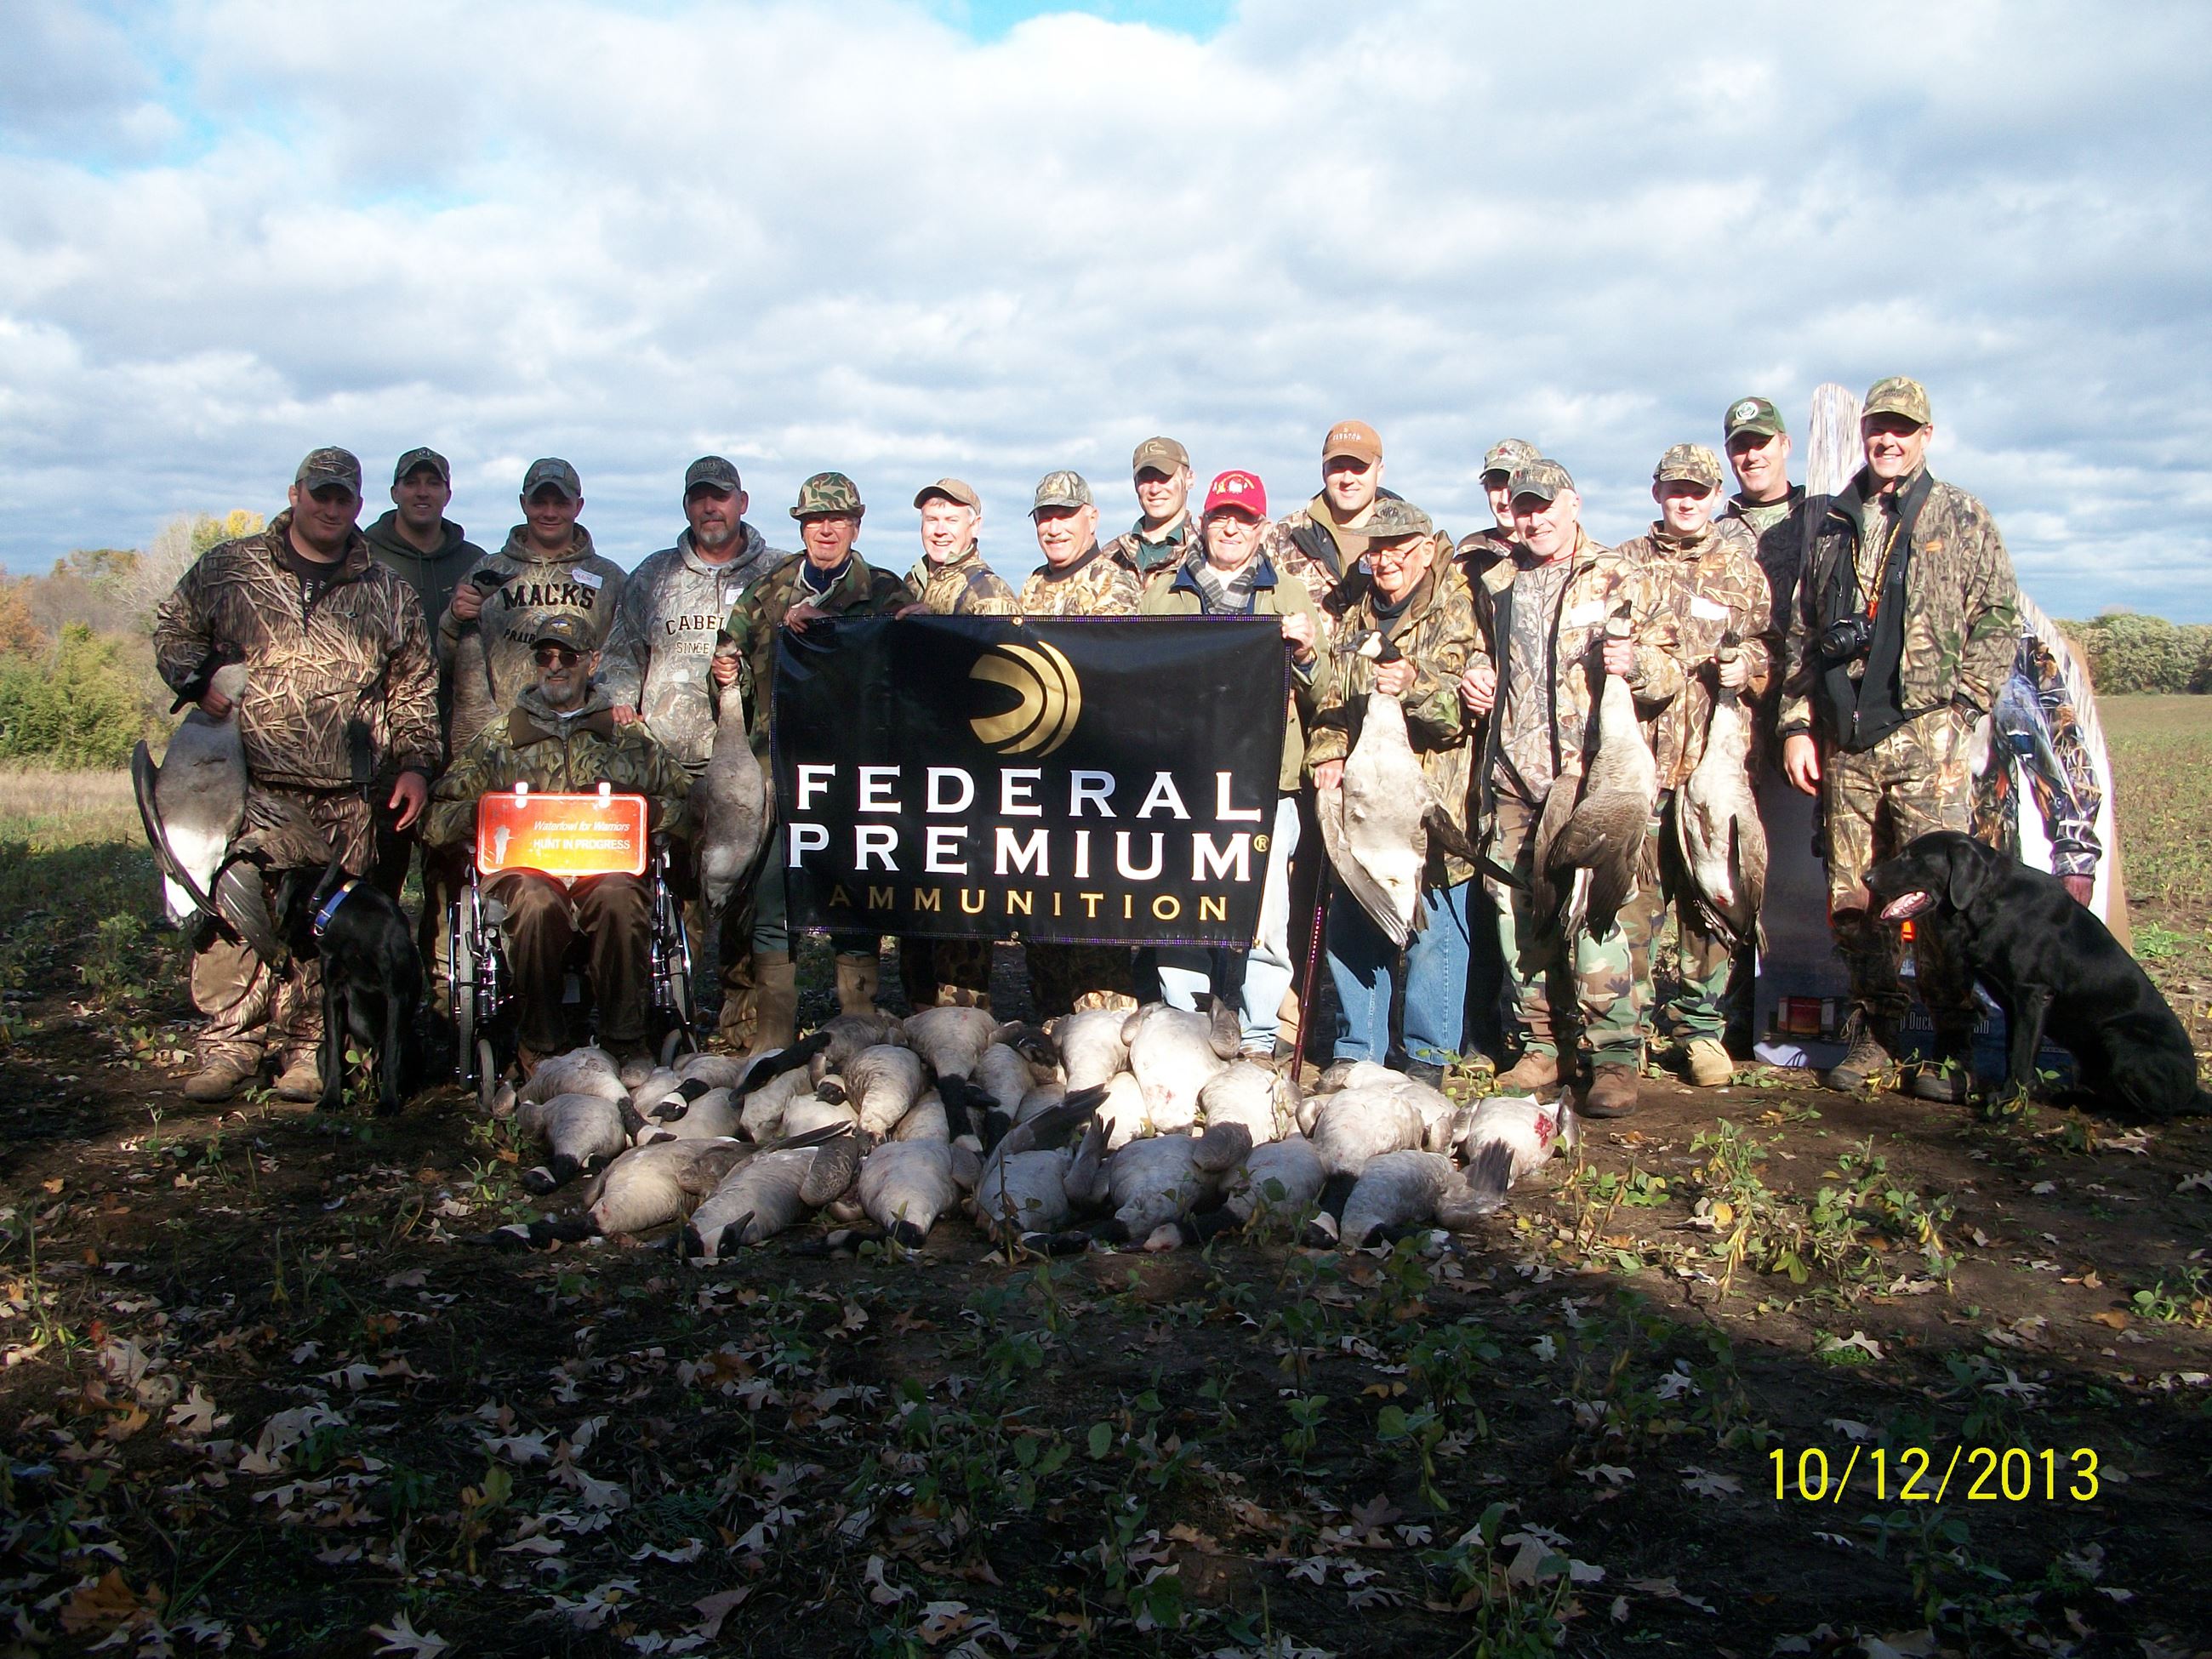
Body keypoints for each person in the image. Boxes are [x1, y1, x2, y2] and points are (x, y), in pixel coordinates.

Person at [154, 447, 439, 1103]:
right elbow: (173, 627)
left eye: (343, 498)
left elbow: (414, 689)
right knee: (230, 918)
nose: (331, 507)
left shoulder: (386, 588)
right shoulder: (231, 568)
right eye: (321, 494)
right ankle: (230, 1046)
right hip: (245, 787)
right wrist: (195, 682)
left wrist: (417, 766)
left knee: (328, 936)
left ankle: (312, 1052)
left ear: (359, 506)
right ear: (295, 494)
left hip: (346, 794)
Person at [1777, 378, 2020, 1099]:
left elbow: (2000, 619)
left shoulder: (1962, 516)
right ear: (1864, 433)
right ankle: (1877, 1035)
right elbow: (1801, 632)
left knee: (1942, 902)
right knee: (1854, 900)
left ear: (1925, 436)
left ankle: (1952, 1042)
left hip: (1927, 740)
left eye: (1902, 428)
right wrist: (1796, 723)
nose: (1888, 439)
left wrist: (1962, 707)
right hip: (1847, 738)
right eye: (1878, 426)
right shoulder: (1832, 522)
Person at [1462, 459, 1678, 1117]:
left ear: (1574, 503)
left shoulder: (1619, 574)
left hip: (1588, 779)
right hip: (1513, 777)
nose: (1533, 518)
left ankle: (1612, 1056)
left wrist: (1640, 666)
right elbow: (1476, 649)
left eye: (1545, 504)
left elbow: (1671, 672)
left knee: (1598, 913)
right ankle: (1542, 1044)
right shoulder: (1496, 580)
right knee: (1520, 916)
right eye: (1523, 507)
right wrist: (1474, 669)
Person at [424, 614, 694, 1075]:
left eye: (567, 657)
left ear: (591, 663)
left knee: (621, 898)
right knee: (535, 901)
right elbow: (438, 817)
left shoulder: (628, 737)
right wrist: (486, 815)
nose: (555, 666)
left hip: (603, 873)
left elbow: (687, 806)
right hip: (524, 876)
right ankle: (540, 1043)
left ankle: (624, 1040)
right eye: (545, 656)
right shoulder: (498, 738)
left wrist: (638, 815)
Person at [599, 456, 790, 1046]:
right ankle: (668, 1014)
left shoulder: (781, 572)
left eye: (722, 498)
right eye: (700, 498)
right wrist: (616, 700)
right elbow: (621, 654)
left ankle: (743, 1023)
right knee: (677, 896)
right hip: (671, 765)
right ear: (687, 506)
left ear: (743, 502)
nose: (711, 508)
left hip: (752, 769)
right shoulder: (653, 576)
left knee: (748, 896)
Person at [718, 473, 912, 1047]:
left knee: (855, 889)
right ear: (801, 526)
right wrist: (727, 668)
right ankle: (773, 1034)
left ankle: (858, 1025)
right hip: (782, 772)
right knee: (775, 892)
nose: (825, 529)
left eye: (837, 519)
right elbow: (728, 660)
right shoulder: (767, 591)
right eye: (813, 520)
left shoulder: (884, 590)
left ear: (857, 524)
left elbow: (915, 667)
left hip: (859, 774)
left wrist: (916, 627)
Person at [1140, 470, 1322, 1060]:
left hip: (1264, 781)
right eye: (1222, 516)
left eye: (1243, 518)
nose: (1231, 528)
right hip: (1179, 783)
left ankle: (1260, 1033)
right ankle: (1183, 1030)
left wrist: (1308, 652)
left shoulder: (1289, 594)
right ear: (1205, 521)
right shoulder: (1165, 593)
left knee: (1265, 916)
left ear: (1261, 527)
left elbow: (1322, 692)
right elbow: (1129, 679)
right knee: (1179, 907)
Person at [1607, 445, 1772, 1088]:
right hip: (1641, 765)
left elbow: (1775, 649)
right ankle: (1627, 1036)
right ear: (1657, 493)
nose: (1686, 500)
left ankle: (1701, 1032)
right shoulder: (1621, 565)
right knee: (1632, 907)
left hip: (1715, 769)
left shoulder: (1741, 569)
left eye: (1699, 490)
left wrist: (1750, 666)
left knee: (1712, 904)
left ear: (1714, 493)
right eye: (1675, 488)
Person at [1307, 498, 1479, 1087]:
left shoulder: (1455, 611)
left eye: (1398, 550)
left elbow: (1458, 718)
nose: (1384, 562)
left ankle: (1428, 1058)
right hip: (1363, 804)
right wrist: (1327, 753)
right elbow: (1332, 703)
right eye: (1375, 551)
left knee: (1434, 929)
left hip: (1429, 804)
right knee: (1355, 925)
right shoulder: (1355, 619)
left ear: (1425, 551)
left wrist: (1415, 682)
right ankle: (1359, 1051)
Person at [361, 447, 487, 1006]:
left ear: (447, 493)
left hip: (458, 748)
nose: (421, 493)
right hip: (380, 750)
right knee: (377, 881)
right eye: (411, 484)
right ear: (394, 493)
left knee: (451, 883)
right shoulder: (362, 557)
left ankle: (444, 1003)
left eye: (432, 484)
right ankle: (378, 1001)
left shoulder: (479, 562)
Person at [1016, 470, 1144, 1016]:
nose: (1054, 526)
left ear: (1091, 517)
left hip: (1095, 779)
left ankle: (1105, 1034)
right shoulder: (1031, 586)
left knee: (1095, 917)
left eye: (1065, 515)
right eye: (1045, 516)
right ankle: (1051, 1030)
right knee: (1041, 916)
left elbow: (1111, 674)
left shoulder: (1114, 583)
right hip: (1040, 778)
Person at [894, 477, 1018, 1012]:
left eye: (951, 517)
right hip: (918, 772)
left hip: (970, 778)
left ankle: (965, 1028)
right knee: (916, 908)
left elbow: (1001, 681)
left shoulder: (985, 591)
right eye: (931, 519)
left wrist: (941, 634)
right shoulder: (914, 583)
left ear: (975, 525)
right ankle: (922, 1029)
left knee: (962, 911)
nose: (939, 528)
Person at [442, 458, 627, 758]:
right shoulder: (487, 571)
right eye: (540, 502)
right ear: (523, 503)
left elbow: (623, 663)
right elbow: (448, 662)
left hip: (582, 749)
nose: (550, 512)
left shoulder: (610, 580)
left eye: (561, 502)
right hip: (500, 745)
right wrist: (452, 621)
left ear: (578, 506)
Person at [1717, 396, 1813, 676]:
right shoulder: (1717, 536)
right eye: (1741, 447)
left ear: (1785, 445)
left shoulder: (1825, 518)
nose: (1752, 456)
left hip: (1812, 698)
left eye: (1761, 443)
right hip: (1744, 700)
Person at [1273, 419, 1396, 605]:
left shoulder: (1408, 536)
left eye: (1358, 468)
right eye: (1338, 467)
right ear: (1324, 472)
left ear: (1379, 472)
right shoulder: (1285, 536)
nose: (1347, 479)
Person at [1102, 436, 1202, 577]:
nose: (1155, 489)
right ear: (1135, 483)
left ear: (1189, 479)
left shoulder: (1206, 552)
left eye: (1164, 477)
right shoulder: (1111, 556)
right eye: (1146, 478)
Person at [1455, 438, 1541, 583]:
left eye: (1513, 488)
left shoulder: (1560, 553)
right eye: (1496, 487)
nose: (1504, 500)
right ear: (1486, 489)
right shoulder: (1468, 562)